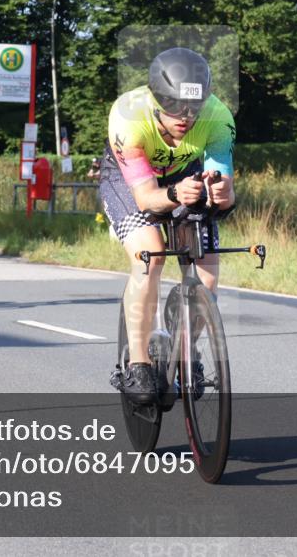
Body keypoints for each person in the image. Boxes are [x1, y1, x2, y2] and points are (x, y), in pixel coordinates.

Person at [100, 47, 236, 403]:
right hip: (131, 183)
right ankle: (139, 364)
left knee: (206, 271)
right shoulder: (128, 117)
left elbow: (226, 194)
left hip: (184, 177)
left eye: (194, 107)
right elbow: (146, 199)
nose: (186, 117)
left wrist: (221, 193)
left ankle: (186, 352)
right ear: (157, 98)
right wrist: (175, 193)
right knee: (152, 255)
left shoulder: (218, 117)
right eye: (175, 106)